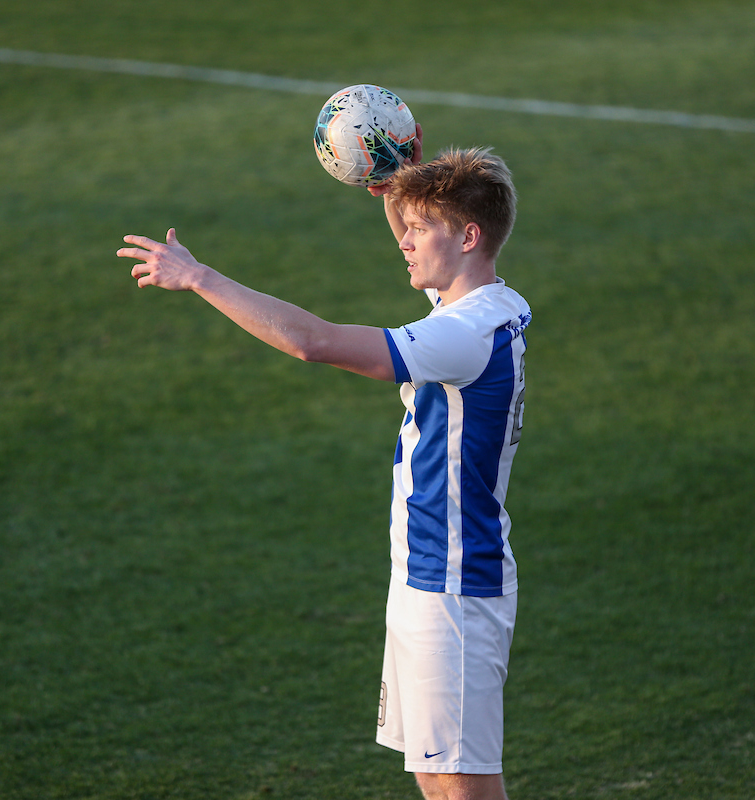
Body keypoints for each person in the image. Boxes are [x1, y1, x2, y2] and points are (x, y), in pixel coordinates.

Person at [118, 124, 530, 800]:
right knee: (434, 774)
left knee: (464, 790)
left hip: (451, 589)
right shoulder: (489, 304)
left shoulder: (463, 335)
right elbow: (426, 240)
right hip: (430, 575)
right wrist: (400, 181)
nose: (402, 238)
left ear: (467, 240)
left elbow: (314, 342)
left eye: (420, 229)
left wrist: (198, 277)